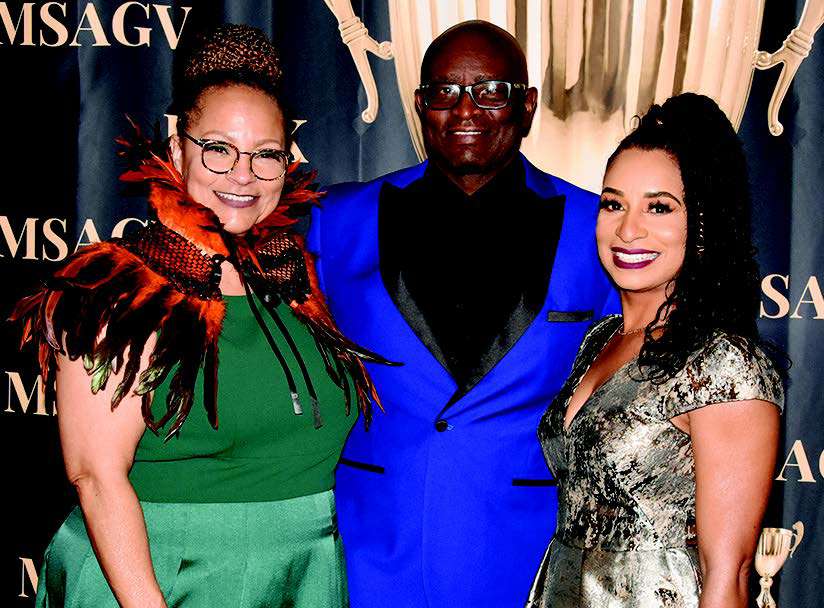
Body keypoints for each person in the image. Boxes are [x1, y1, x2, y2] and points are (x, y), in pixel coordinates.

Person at [14, 24, 387, 608]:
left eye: (266, 155)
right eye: (219, 148)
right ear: (177, 151)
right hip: (159, 577)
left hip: (302, 572)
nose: (244, 174)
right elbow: (96, 475)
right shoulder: (116, 290)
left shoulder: (293, 279)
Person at [309, 20, 617, 608]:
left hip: (526, 551)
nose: (465, 109)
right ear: (420, 105)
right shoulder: (337, 219)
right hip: (371, 546)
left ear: (527, 106)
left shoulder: (596, 229)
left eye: (491, 91)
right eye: (444, 92)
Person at [526, 93, 784, 608]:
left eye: (659, 207)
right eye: (613, 203)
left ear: (702, 225)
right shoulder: (600, 340)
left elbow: (728, 574)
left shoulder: (724, 364)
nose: (628, 229)